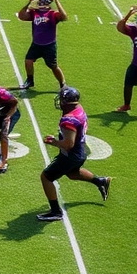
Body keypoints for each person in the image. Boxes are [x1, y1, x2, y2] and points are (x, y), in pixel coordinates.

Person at [37, 86, 111, 222]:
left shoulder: (68, 120)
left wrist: (53, 142)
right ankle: (100, 181)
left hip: (70, 155)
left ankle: (56, 212)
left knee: (46, 177)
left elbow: (68, 144)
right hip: (80, 152)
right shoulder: (79, 110)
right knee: (73, 174)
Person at [17, 0, 67, 89]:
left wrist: (57, 0)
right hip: (36, 44)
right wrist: (29, 2)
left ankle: (63, 83)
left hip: (49, 46)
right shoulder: (34, 13)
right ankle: (30, 80)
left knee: (53, 66)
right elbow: (21, 16)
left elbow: (64, 16)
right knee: (28, 61)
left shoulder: (53, 14)